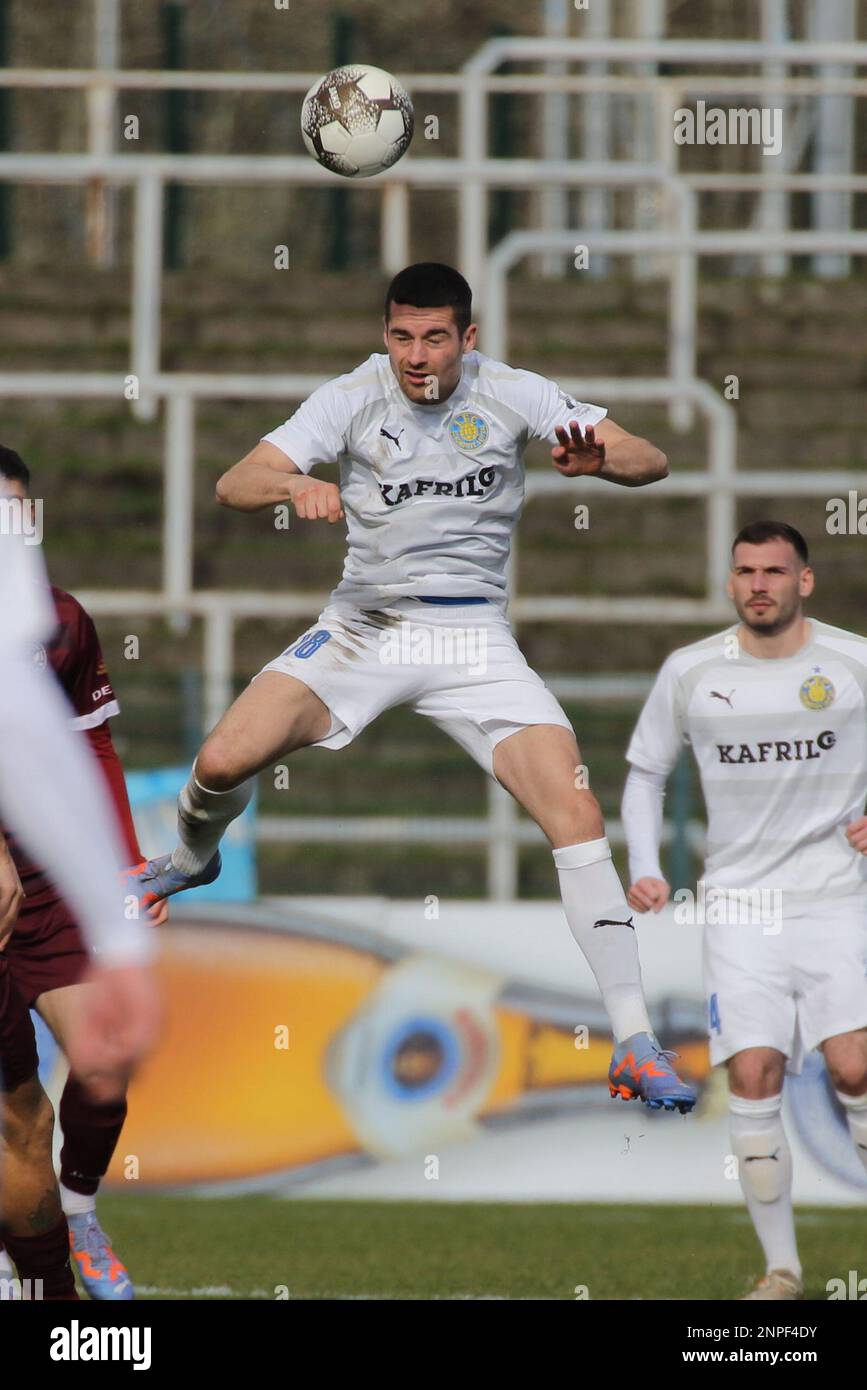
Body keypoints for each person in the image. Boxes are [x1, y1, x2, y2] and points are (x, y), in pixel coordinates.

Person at [127, 260, 695, 1112]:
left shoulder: (513, 392)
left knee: (575, 814)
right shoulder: (353, 396)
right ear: (384, 335)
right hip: (365, 627)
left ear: (469, 338)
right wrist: (296, 484)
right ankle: (188, 860)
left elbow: (649, 458)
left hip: (474, 638)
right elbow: (233, 481)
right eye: (401, 336)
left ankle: (633, 1041)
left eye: (435, 338)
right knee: (220, 759)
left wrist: (600, 462)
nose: (416, 356)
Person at [622, 520, 867, 1299]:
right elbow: (643, 774)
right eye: (744, 571)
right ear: (729, 583)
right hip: (737, 905)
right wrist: (643, 864)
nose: (758, 584)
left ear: (805, 581)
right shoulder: (691, 670)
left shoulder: (852, 662)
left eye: (773, 571)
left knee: (854, 1065)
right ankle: (782, 1271)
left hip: (835, 896)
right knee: (754, 1073)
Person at [0, 464, 160, 1300]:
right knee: (18, 1116)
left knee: (109, 1055)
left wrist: (121, 872)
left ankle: (82, 1210)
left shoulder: (57, 621)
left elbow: (88, 750)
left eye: (15, 512)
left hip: (48, 886)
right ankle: (39, 1280)